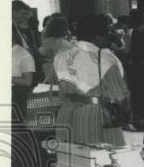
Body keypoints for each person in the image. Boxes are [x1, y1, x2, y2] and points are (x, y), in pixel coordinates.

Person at [52, 14, 131, 147]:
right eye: (107, 34)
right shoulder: (104, 59)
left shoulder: (61, 55)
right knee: (102, 160)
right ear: (97, 37)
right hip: (95, 116)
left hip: (66, 113)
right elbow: (119, 94)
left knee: (71, 159)